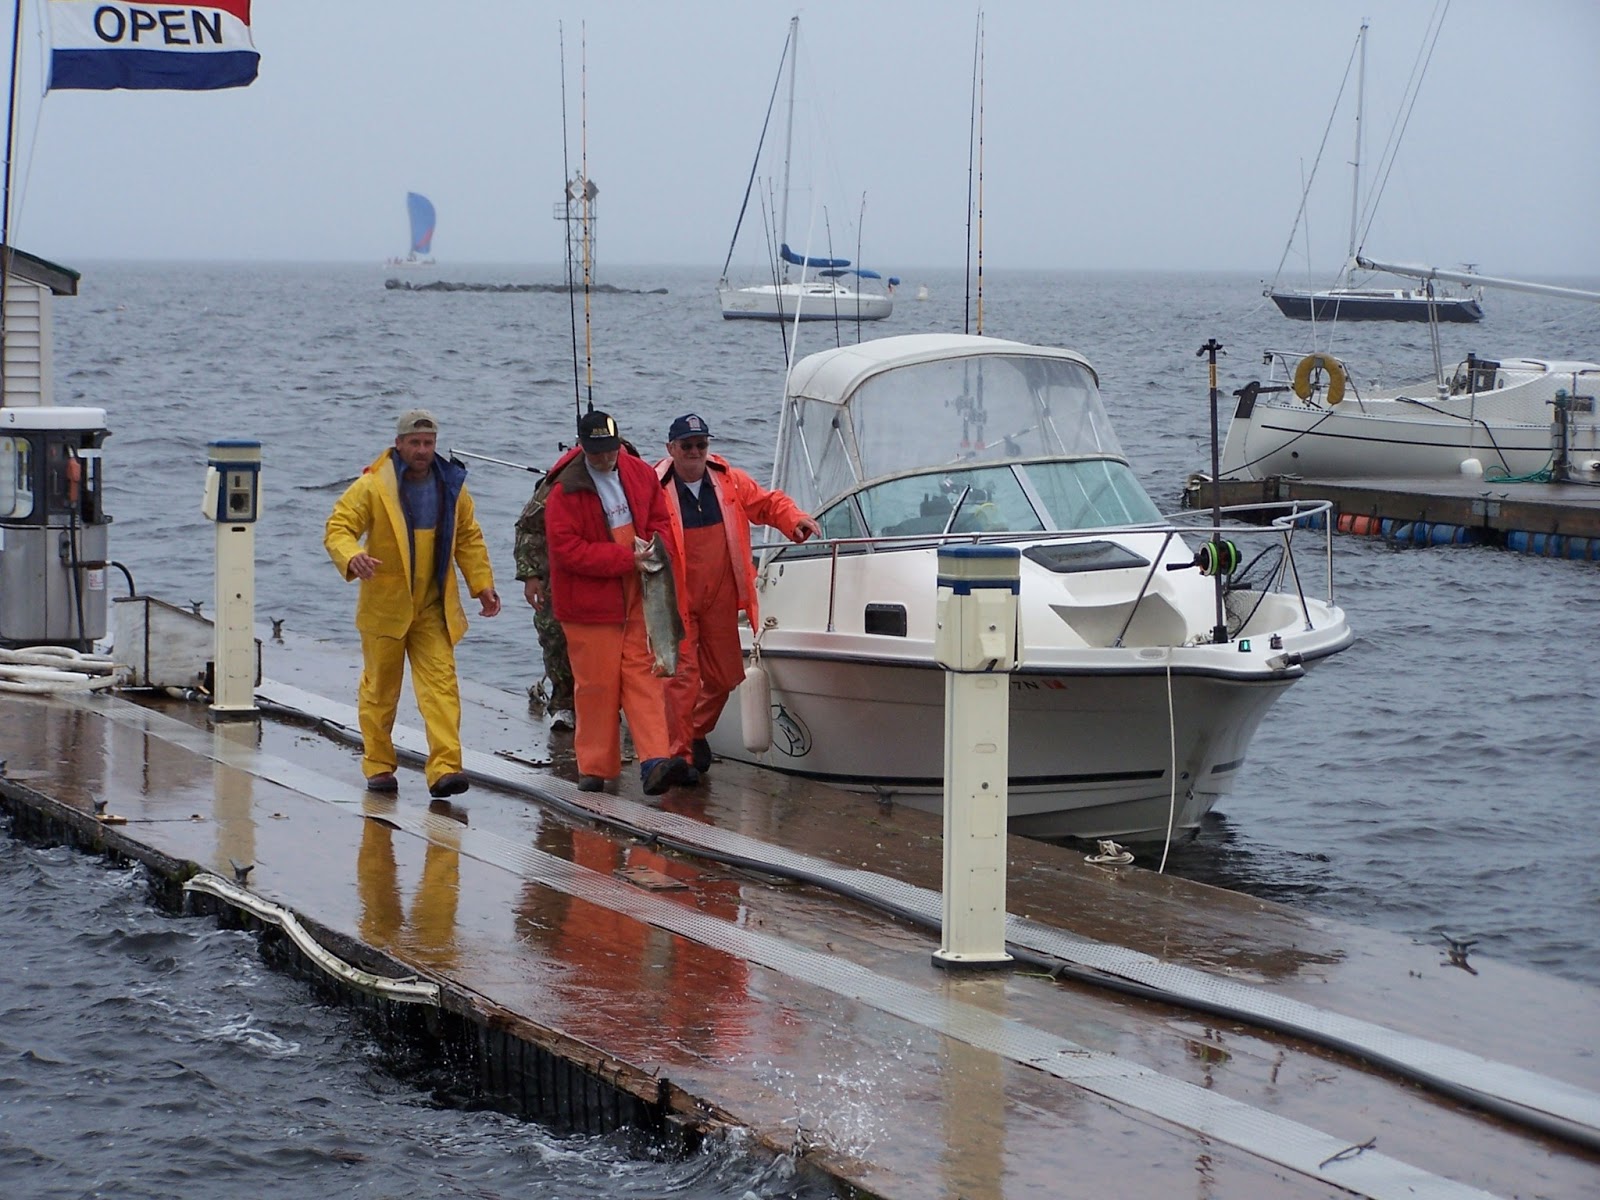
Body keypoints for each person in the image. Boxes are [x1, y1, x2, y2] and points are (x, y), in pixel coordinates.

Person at [324, 408, 501, 798]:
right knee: (380, 691)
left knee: (441, 688)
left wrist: (482, 584)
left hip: (432, 607)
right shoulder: (372, 486)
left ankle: (445, 769)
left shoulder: (452, 486)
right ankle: (379, 765)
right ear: (399, 444)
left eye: (429, 443)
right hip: (385, 607)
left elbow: (469, 538)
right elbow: (339, 526)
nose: (422, 450)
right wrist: (351, 554)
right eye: (415, 443)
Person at [654, 412, 820, 774]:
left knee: (725, 678)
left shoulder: (728, 480)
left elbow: (767, 503)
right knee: (680, 680)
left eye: (701, 444)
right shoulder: (654, 485)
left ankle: (695, 733)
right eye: (687, 445)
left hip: (721, 595)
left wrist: (794, 520)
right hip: (675, 599)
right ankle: (677, 758)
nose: (695, 451)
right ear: (671, 448)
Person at [543, 410, 696, 795]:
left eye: (610, 450)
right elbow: (566, 552)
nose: (605, 458)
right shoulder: (564, 490)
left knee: (644, 676)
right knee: (596, 686)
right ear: (582, 447)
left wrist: (654, 548)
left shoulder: (640, 474)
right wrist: (626, 559)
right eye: (596, 452)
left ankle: (655, 761)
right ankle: (595, 767)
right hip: (588, 605)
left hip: (638, 592)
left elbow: (661, 518)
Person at [512, 468, 575, 731]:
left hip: (615, 571)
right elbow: (529, 526)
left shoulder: (634, 476)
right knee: (554, 634)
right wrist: (530, 575)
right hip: (559, 572)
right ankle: (563, 704)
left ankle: (612, 706)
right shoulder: (563, 479)